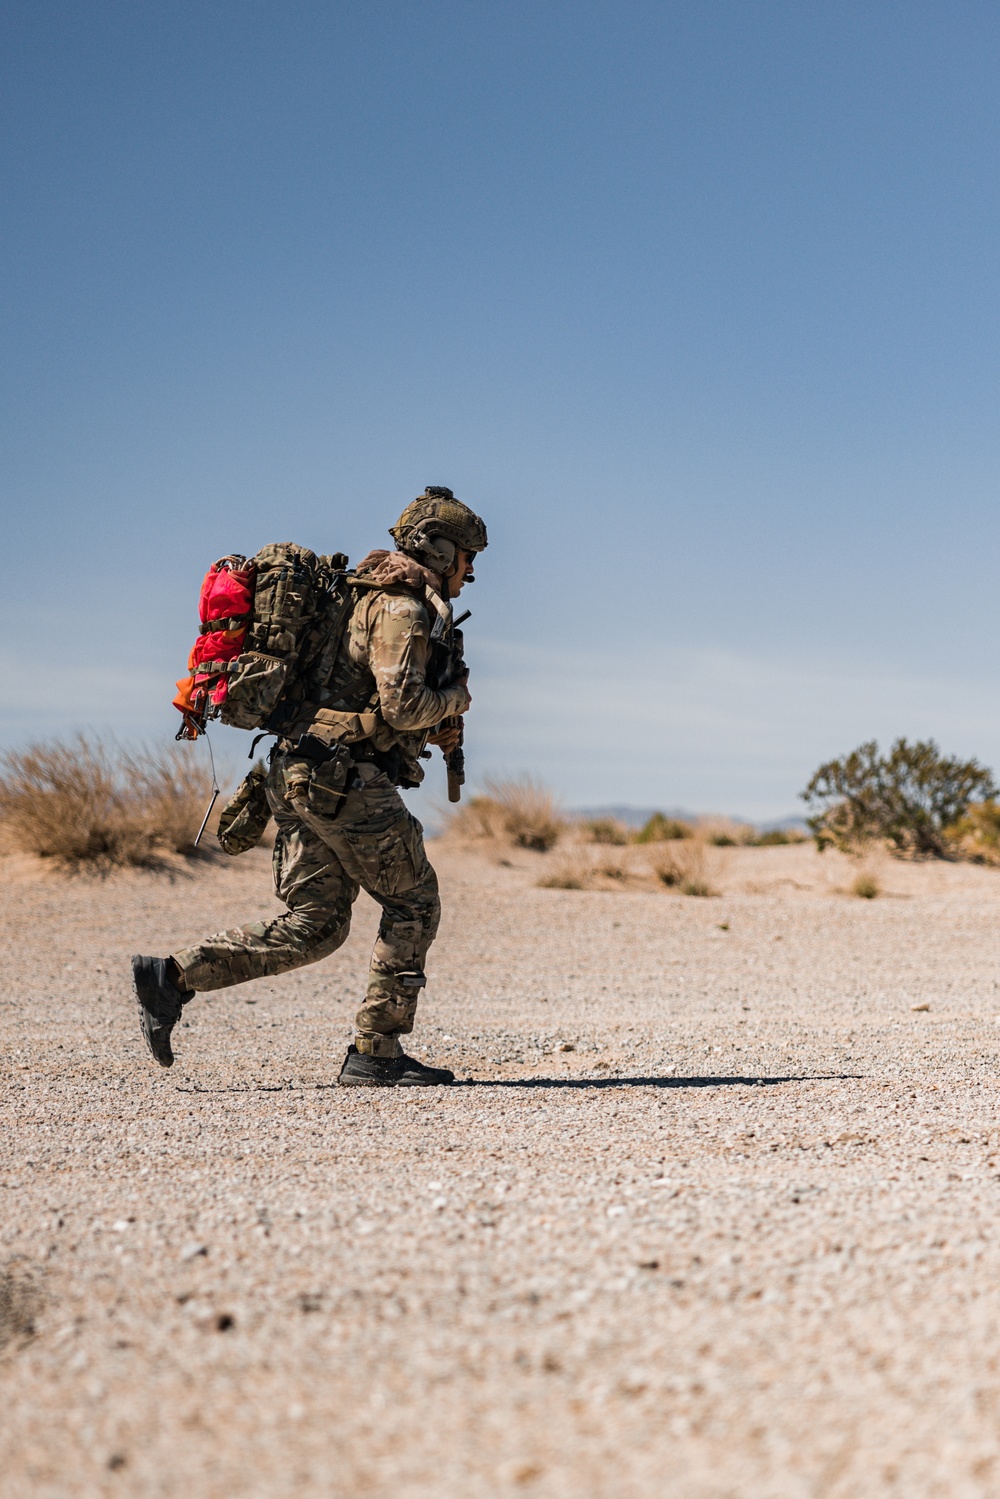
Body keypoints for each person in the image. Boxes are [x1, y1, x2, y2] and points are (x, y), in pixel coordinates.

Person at [131, 486, 487, 1087]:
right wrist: (455, 699)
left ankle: (171, 977)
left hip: (295, 771)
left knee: (316, 925)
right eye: (468, 558)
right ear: (440, 549)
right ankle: (377, 1053)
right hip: (343, 779)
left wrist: (434, 725)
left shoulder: (358, 594)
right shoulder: (403, 606)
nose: (471, 572)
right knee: (413, 901)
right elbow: (402, 707)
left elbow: (357, 695)